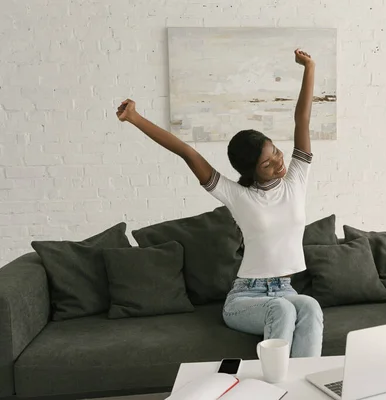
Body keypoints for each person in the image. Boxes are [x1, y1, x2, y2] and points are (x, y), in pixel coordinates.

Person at [116, 49, 323, 358]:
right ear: (251, 171)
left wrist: (309, 67)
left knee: (308, 305)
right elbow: (188, 152)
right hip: (245, 298)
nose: (279, 163)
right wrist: (134, 118)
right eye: (268, 164)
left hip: (285, 288)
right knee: (282, 310)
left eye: (276, 153)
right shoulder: (239, 197)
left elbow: (302, 118)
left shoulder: (296, 179)